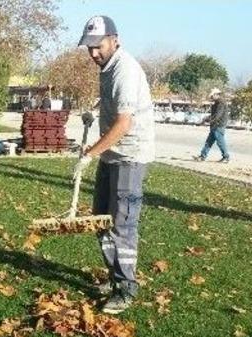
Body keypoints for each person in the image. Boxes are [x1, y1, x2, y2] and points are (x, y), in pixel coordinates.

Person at [72, 15, 155, 314]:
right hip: (111, 154)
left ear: (115, 39)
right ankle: (113, 276)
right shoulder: (107, 68)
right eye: (89, 47)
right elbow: (114, 105)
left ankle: (126, 287)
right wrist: (94, 114)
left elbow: (124, 122)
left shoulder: (124, 70)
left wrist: (90, 153)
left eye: (98, 45)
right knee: (100, 220)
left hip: (130, 155)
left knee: (122, 224)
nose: (93, 53)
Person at [194, 88, 230, 162]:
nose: (211, 98)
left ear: (216, 94)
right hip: (215, 125)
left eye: (212, 96)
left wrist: (208, 121)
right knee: (209, 142)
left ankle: (226, 156)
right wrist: (205, 119)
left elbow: (217, 116)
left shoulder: (221, 103)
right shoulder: (216, 103)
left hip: (218, 125)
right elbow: (214, 115)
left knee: (220, 142)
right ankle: (202, 156)